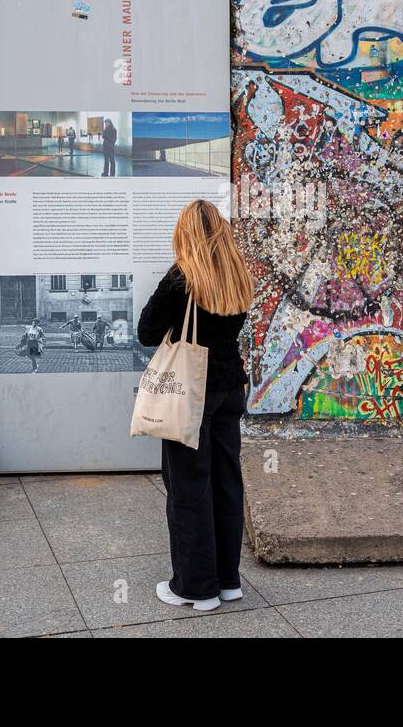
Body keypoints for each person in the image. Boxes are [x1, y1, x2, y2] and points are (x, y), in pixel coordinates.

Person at [137, 199, 254, 612]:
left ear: (185, 233)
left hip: (191, 391)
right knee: (225, 482)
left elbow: (147, 331)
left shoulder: (182, 277)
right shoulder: (237, 273)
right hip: (229, 388)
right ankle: (227, 581)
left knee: (188, 485)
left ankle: (195, 587)